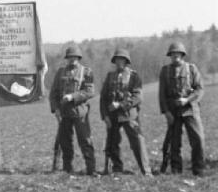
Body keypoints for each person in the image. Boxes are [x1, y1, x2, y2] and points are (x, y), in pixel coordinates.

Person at [99, 48, 152, 176]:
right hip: (112, 116)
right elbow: (103, 98)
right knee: (112, 143)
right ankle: (117, 168)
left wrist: (120, 104)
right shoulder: (109, 76)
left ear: (126, 61)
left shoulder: (134, 76)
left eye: (122, 59)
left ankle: (146, 170)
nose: (119, 62)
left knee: (137, 142)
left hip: (129, 115)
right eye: (117, 59)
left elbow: (138, 97)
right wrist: (105, 115)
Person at [159, 42, 205, 176]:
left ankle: (199, 170)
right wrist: (166, 112)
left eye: (178, 54)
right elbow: (162, 94)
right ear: (170, 56)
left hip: (190, 109)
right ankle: (176, 170)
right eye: (173, 54)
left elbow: (199, 89)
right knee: (174, 143)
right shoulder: (165, 71)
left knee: (198, 140)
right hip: (173, 111)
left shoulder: (192, 68)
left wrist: (187, 99)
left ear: (182, 54)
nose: (175, 56)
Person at [49, 46, 96, 175]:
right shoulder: (60, 72)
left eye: (74, 57)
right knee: (65, 142)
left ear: (79, 58)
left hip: (80, 112)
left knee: (85, 141)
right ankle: (67, 168)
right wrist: (55, 109)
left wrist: (72, 97)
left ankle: (91, 169)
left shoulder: (86, 72)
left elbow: (90, 91)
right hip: (64, 114)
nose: (72, 59)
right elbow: (54, 93)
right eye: (70, 57)